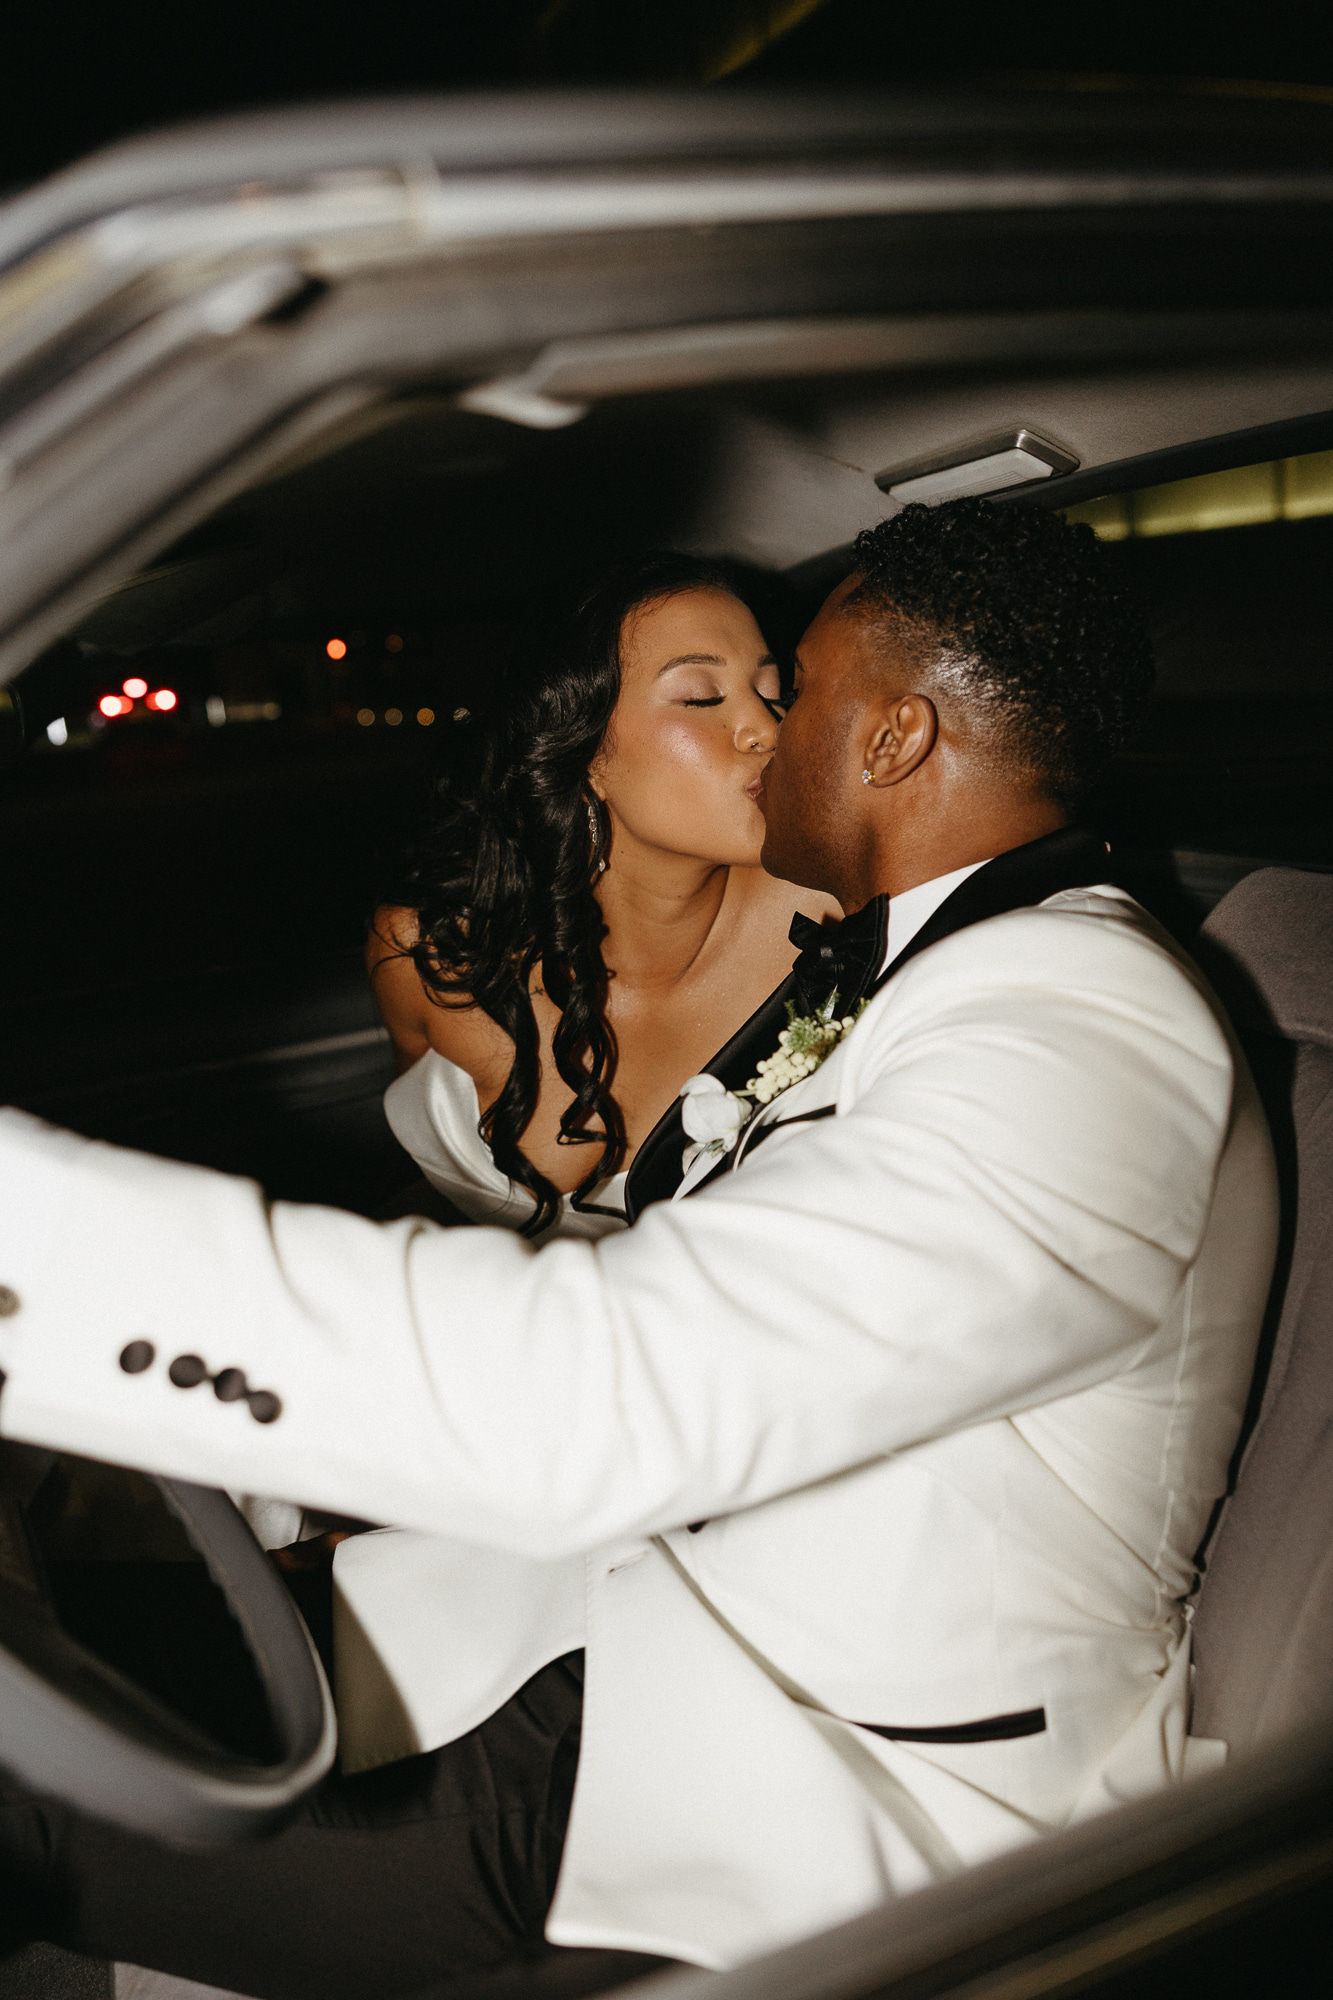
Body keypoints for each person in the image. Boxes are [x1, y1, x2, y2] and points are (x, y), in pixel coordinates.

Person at [0, 500, 1278, 2000]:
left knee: (39, 1795)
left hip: (836, 1767)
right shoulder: (946, 975)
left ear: (890, 741)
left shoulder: (1077, 1017)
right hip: (644, 1635)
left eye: (796, 690)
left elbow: (626, 1382)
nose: (767, 731)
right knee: (90, 1657)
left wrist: (43, 1263)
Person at [367, 551, 837, 1243]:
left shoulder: (834, 912)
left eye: (774, 691)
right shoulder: (433, 952)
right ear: (582, 748)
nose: (768, 729)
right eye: (701, 697)